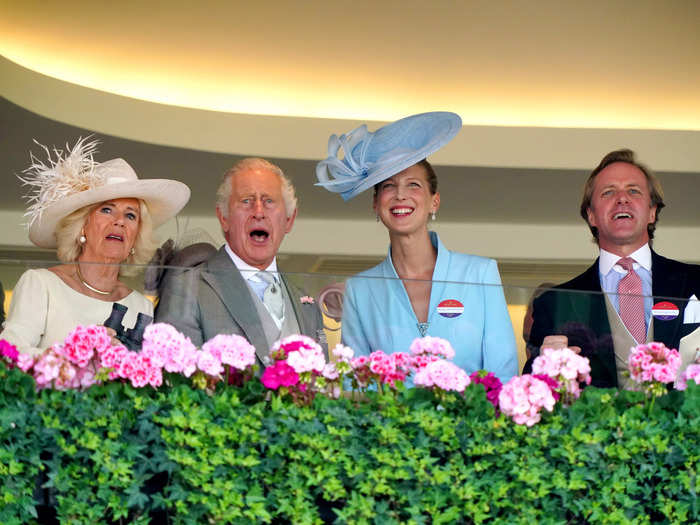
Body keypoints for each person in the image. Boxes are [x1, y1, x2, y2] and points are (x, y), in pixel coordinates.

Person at [316, 112, 518, 383]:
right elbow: (359, 387)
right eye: (389, 186)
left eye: (413, 185)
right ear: (375, 205)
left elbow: (502, 377)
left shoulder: (480, 274)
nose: (400, 195)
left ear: (434, 202)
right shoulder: (359, 290)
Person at [526, 149, 700, 388]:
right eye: (608, 192)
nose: (622, 198)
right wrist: (546, 372)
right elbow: (531, 391)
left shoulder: (695, 281)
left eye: (633, 190)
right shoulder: (555, 303)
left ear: (652, 212)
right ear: (591, 216)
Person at [1, 138, 190, 356]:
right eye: (107, 210)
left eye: (130, 215)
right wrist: (73, 355)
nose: (119, 221)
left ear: (136, 236)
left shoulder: (141, 306)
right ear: (82, 226)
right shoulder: (41, 284)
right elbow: (9, 354)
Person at [155, 157, 327, 365]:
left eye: (269, 201)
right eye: (246, 201)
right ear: (224, 218)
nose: (258, 212)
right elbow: (178, 385)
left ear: (289, 219)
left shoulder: (307, 303)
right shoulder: (185, 288)